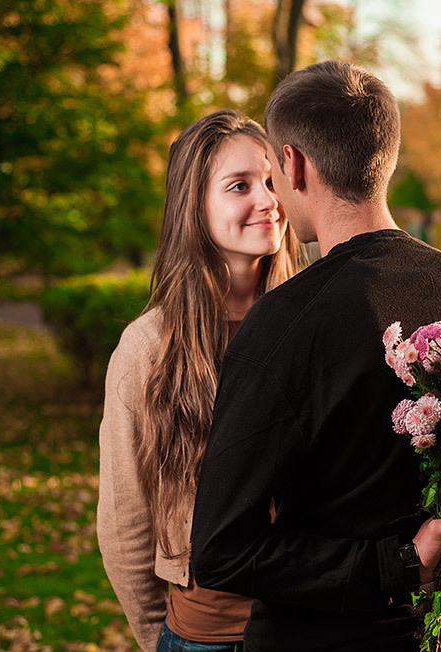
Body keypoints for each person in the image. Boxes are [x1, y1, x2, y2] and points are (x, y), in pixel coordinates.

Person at [190, 61, 441, 651]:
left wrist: (392, 570)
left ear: (293, 164)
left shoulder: (285, 322)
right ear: (387, 158)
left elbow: (221, 549)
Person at [96, 110, 303, 651]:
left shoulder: (312, 322)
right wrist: (158, 637)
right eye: (239, 186)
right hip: (209, 638)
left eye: (271, 180)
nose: (268, 200)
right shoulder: (149, 348)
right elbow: (125, 521)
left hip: (316, 628)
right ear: (195, 206)